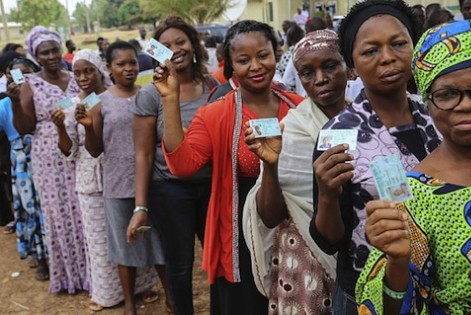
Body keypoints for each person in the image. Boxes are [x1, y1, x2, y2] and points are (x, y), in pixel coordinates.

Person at [357, 19, 471, 315]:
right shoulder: (412, 197)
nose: (466, 105)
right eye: (447, 95)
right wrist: (397, 263)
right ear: (428, 102)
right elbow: (381, 307)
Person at [158, 20, 303, 315]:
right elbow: (183, 165)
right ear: (231, 65)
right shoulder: (216, 113)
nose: (255, 66)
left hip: (296, 228)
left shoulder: (299, 106)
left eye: (262, 55)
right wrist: (170, 99)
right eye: (243, 60)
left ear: (276, 53)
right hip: (242, 232)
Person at [308, 1, 442, 314]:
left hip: (440, 285)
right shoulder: (339, 134)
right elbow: (330, 241)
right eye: (371, 50)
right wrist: (327, 194)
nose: (388, 57)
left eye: (398, 44)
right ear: (351, 66)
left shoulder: (440, 113)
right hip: (368, 291)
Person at [243, 29, 350, 314]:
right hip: (305, 258)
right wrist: (270, 164)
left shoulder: (368, 121)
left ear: (348, 67)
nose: (320, 79)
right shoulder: (291, 130)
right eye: (307, 72)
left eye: (330, 66)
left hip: (360, 254)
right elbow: (270, 215)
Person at [126, 16, 216, 315]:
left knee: (217, 258)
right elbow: (143, 154)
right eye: (165, 46)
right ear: (156, 53)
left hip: (212, 185)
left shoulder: (212, 86)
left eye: (181, 41)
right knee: (179, 265)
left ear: (193, 44)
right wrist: (141, 208)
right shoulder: (151, 94)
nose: (175, 49)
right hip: (169, 189)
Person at [77, 41, 168, 315]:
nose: (128, 68)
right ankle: (129, 304)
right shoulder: (97, 100)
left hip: (153, 180)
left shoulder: (150, 93)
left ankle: (171, 298)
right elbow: (94, 150)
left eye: (132, 63)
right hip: (116, 184)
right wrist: (88, 129)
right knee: (122, 246)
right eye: (121, 64)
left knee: (159, 242)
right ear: (109, 68)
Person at [10, 26, 88, 294]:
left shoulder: (76, 76)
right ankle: (71, 276)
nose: (52, 56)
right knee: (61, 214)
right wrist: (15, 101)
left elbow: (96, 101)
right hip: (49, 159)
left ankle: (95, 274)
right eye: (45, 52)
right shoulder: (31, 84)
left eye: (55, 49)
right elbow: (25, 127)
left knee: (85, 210)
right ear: (36, 55)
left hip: (83, 152)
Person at [0, 53, 47, 280]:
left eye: (27, 74)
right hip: (22, 163)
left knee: (49, 209)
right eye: (18, 75)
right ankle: (40, 258)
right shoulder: (4, 104)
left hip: (47, 159)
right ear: (9, 77)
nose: (23, 81)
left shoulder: (45, 96)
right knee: (31, 211)